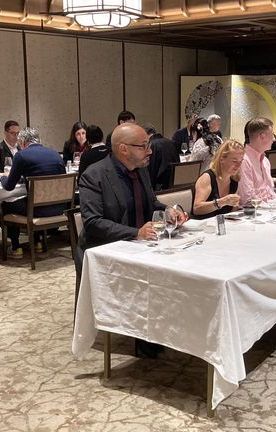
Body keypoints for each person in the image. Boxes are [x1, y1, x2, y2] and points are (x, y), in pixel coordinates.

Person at [77, 123, 187, 358]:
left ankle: (166, 329)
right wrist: (134, 233)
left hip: (140, 243)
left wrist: (168, 209)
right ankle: (145, 335)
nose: (150, 151)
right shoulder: (94, 175)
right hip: (105, 247)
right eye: (144, 146)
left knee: (177, 267)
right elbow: (93, 223)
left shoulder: (141, 170)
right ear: (124, 149)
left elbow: (152, 203)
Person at [0, 127, 67, 258]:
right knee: (33, 200)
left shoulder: (21, 155)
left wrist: (3, 177)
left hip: (37, 211)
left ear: (23, 142)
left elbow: (9, 186)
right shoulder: (55, 154)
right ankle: (37, 242)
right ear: (39, 140)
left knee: (6, 205)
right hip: (59, 208)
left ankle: (15, 247)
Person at [192, 139, 244, 219]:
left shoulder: (234, 181)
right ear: (222, 159)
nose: (238, 165)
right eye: (234, 161)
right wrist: (223, 202)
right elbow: (197, 209)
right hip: (203, 226)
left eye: (241, 161)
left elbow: (233, 212)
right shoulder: (207, 177)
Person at [237, 117, 276, 206]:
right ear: (262, 136)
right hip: (252, 214)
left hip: (268, 210)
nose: (274, 139)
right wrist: (272, 208)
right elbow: (248, 199)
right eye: (272, 134)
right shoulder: (244, 161)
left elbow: (271, 191)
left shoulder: (265, 160)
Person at [145, 124, 180, 190]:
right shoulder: (170, 142)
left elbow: (151, 170)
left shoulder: (152, 145)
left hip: (160, 188)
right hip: (175, 185)